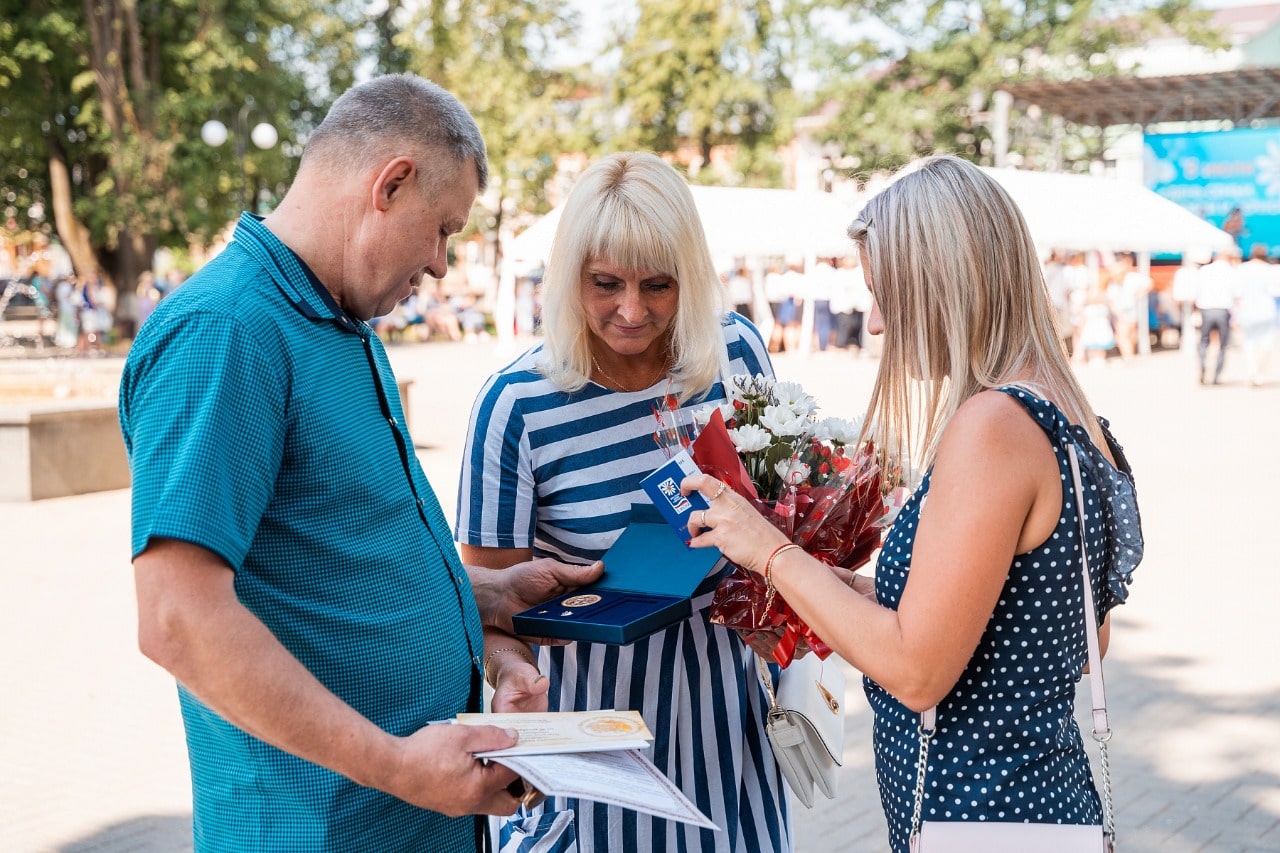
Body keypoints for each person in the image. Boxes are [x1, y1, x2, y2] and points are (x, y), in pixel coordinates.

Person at [118, 74, 602, 853]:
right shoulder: (227, 329)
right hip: (321, 826)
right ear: (392, 183)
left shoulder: (339, 322)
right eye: (443, 228)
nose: (442, 264)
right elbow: (179, 617)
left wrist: (479, 596)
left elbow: (321, 564)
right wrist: (401, 768)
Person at [683, 155, 1143, 853]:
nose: (873, 324)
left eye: (884, 295)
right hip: (1050, 809)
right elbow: (1074, 639)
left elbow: (919, 671)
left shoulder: (995, 425)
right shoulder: (1075, 419)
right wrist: (853, 589)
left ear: (943, 286)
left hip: (983, 822)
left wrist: (769, 550)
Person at [456, 151, 791, 851]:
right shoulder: (518, 406)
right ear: (569, 276)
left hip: (730, 737)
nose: (631, 311)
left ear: (690, 277)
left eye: (658, 285)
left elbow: (782, 521)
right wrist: (511, 669)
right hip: (597, 761)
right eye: (605, 283)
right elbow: (485, 601)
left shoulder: (735, 353)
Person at [1195, 245, 1242, 385]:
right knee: (1222, 345)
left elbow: (1196, 290)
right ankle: (1215, 376)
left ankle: (1203, 364)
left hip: (1206, 309)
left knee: (1203, 341)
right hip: (1223, 310)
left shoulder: (1204, 270)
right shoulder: (1231, 272)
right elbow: (1237, 295)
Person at [1236, 244, 1278, 386]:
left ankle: (1252, 369)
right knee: (1266, 342)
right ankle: (1259, 372)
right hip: (1266, 309)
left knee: (1249, 341)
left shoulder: (1242, 269)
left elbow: (1237, 292)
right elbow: (1276, 291)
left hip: (1247, 309)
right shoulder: (1270, 270)